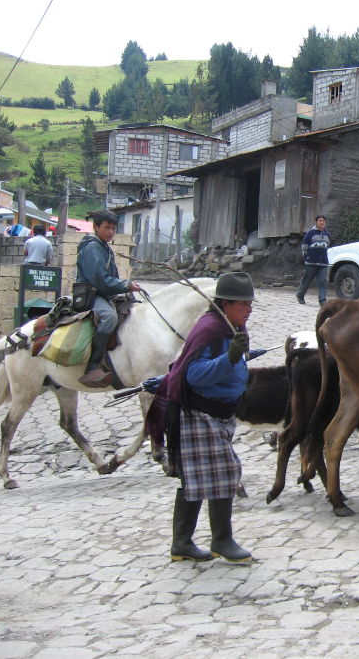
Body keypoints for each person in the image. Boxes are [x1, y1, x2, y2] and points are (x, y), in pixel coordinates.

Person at [146, 272, 255, 563]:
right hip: (198, 412)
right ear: (225, 303)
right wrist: (230, 358)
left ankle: (181, 543)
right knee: (226, 470)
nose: (249, 309)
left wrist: (241, 356)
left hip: (218, 412)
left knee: (194, 477)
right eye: (243, 303)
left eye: (250, 303)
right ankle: (221, 539)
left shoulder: (232, 326)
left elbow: (225, 362)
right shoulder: (211, 329)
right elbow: (194, 375)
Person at [76, 210, 141, 388]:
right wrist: (125, 285)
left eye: (113, 228)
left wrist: (125, 288)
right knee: (109, 317)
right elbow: (100, 279)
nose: (110, 232)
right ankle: (93, 367)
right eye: (106, 228)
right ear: (96, 227)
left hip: (104, 291)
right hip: (92, 294)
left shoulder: (103, 246)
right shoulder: (92, 248)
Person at [296, 214, 330, 305]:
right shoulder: (311, 233)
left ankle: (322, 300)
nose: (321, 222)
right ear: (316, 222)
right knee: (307, 280)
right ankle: (300, 295)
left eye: (323, 221)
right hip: (311, 262)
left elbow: (327, 247)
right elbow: (304, 247)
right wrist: (307, 258)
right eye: (320, 221)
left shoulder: (327, 234)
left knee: (322, 281)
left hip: (323, 263)